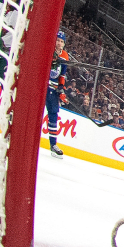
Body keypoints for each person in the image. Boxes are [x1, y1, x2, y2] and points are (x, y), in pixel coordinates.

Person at [45, 30, 69, 158]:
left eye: (61, 41)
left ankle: (53, 144)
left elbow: (62, 74)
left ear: (64, 44)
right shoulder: (48, 49)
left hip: (53, 89)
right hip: (42, 86)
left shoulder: (65, 56)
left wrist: (61, 87)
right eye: (57, 40)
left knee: (53, 114)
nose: (59, 43)